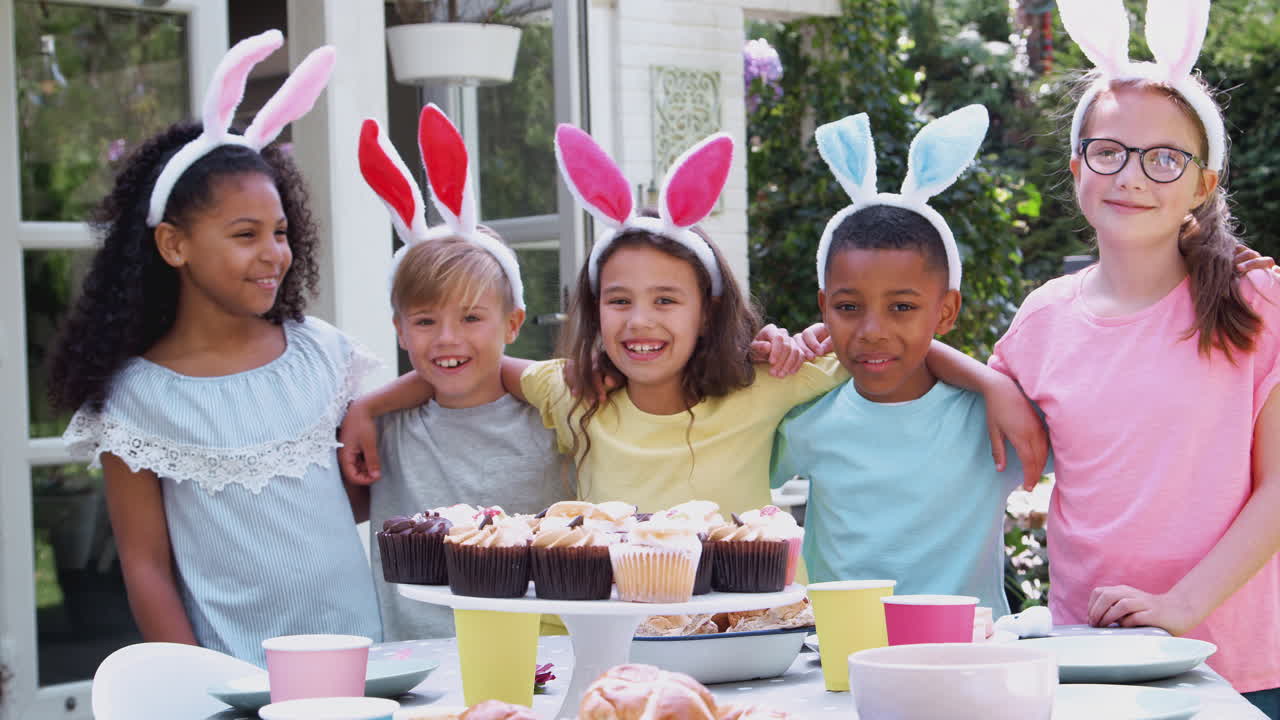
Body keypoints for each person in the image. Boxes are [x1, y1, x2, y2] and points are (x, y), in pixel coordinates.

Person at [342, 125, 1047, 519]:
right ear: (594, 312)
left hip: (752, 638)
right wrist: (373, 406)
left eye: (666, 300)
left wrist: (992, 384)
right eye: (619, 301)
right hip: (620, 649)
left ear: (708, 310)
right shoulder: (574, 394)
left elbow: (883, 344)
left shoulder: (763, 385)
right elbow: (474, 370)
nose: (639, 322)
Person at [47, 31, 381, 666]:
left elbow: (354, 499)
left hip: (363, 663)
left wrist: (372, 410)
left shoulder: (323, 356)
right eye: (245, 234)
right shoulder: (136, 400)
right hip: (236, 683)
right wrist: (198, 690)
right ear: (174, 246)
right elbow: (146, 568)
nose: (273, 254)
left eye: (280, 232)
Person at [988, 1, 1280, 712]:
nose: (1132, 176)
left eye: (1165, 158)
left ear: (1202, 185)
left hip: (1233, 660)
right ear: (1077, 164)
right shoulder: (1041, 321)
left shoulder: (1257, 304)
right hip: (1084, 654)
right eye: (1108, 151)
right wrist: (985, 378)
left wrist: (1178, 607)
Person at [771, 105, 1023, 614]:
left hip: (969, 663)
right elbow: (721, 458)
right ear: (824, 309)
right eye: (848, 308)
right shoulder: (809, 417)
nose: (872, 332)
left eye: (902, 307)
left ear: (946, 311)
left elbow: (1107, 450)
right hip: (841, 664)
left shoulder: (993, 419)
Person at [353, 107, 571, 640]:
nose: (447, 339)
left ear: (512, 323)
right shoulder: (388, 431)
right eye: (426, 321)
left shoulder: (553, 414)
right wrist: (367, 407)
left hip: (538, 662)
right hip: (416, 663)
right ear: (400, 330)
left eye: (471, 317)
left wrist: (370, 402)